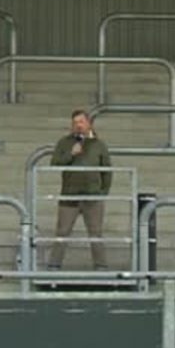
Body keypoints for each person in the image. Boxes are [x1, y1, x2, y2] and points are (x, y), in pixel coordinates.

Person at [47, 109, 112, 270]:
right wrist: (71, 154)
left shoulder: (99, 145)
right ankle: (54, 265)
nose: (78, 126)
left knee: (95, 233)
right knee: (62, 232)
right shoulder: (65, 142)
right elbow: (55, 164)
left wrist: (103, 192)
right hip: (69, 195)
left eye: (81, 122)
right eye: (75, 123)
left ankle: (101, 266)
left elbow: (107, 170)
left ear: (89, 123)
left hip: (92, 196)